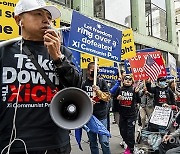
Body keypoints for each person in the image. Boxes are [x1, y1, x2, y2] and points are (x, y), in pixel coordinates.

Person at [0, 0, 82, 153]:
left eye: (49, 17)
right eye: (38, 14)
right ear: (19, 20)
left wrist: (58, 58)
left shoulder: (63, 52)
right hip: (11, 144)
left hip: (55, 143)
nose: (46, 20)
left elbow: (77, 90)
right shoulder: (4, 52)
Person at [81, 62, 111, 154]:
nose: (96, 72)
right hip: (89, 117)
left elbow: (107, 98)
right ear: (88, 70)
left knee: (104, 141)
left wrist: (98, 91)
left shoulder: (102, 82)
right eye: (93, 70)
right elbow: (80, 99)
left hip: (101, 116)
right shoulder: (84, 84)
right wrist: (88, 101)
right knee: (93, 142)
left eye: (97, 70)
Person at [114, 74, 140, 154]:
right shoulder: (119, 89)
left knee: (130, 132)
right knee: (123, 131)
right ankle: (128, 145)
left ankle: (131, 149)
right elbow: (114, 99)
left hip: (131, 115)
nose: (128, 80)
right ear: (123, 80)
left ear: (132, 81)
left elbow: (139, 101)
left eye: (129, 79)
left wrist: (137, 93)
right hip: (122, 115)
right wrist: (116, 99)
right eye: (126, 79)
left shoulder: (134, 89)